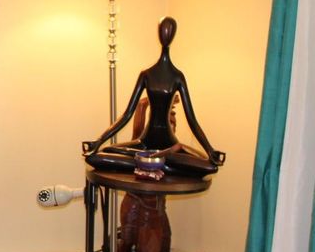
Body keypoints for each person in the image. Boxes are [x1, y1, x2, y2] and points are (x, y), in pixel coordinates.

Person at [82, 17, 225, 176]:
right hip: (143, 144)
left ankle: (154, 163)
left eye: (170, 30)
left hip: (170, 146)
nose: (166, 34)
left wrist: (210, 150)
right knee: (101, 154)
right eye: (163, 29)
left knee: (209, 166)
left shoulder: (177, 77)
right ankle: (157, 163)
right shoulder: (147, 75)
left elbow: (192, 120)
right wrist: (98, 141)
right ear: (158, 32)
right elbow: (127, 115)